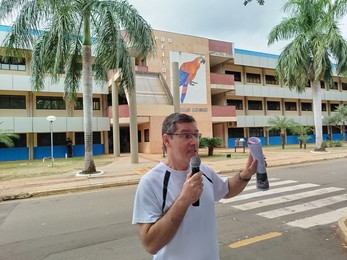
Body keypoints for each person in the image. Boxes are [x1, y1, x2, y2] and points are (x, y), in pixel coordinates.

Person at [132, 113, 258, 259]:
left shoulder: (204, 170)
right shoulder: (150, 182)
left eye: (196, 135)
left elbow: (227, 189)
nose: (194, 142)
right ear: (167, 140)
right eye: (186, 136)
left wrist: (245, 175)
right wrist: (184, 199)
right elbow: (150, 244)